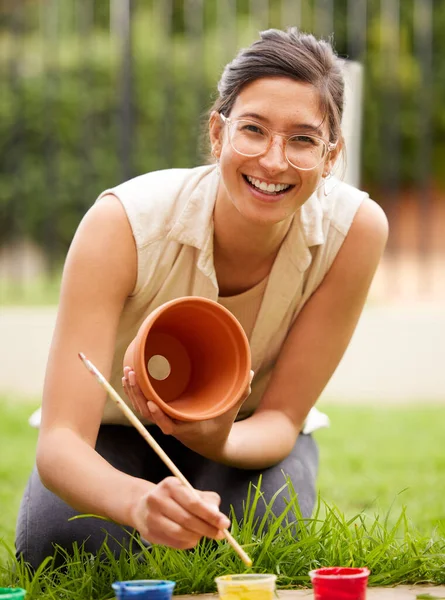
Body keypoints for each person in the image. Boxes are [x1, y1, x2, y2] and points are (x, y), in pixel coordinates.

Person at [15, 27, 388, 570]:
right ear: (218, 134)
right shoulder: (122, 223)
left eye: (303, 140)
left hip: (247, 436)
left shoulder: (355, 230)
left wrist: (217, 440)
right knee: (66, 545)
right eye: (253, 130)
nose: (273, 160)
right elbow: (62, 441)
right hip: (113, 436)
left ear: (332, 156)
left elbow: (282, 418)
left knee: (269, 535)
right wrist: (138, 503)